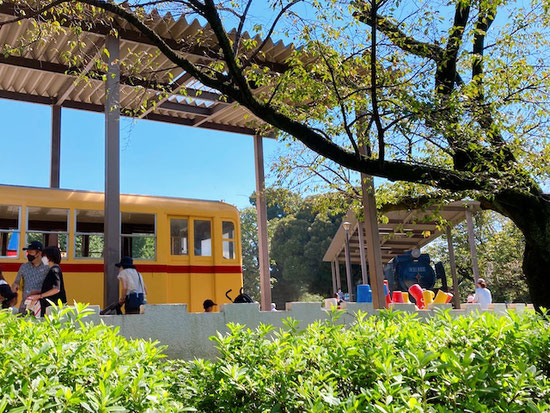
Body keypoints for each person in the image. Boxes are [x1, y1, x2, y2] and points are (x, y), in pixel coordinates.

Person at [27, 246, 67, 317]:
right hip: (51, 305)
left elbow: (56, 289)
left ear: (50, 257)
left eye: (44, 256)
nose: (42, 258)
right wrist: (37, 292)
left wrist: (39, 296)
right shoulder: (54, 269)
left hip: (52, 306)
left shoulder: (54, 270)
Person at [12, 241, 48, 314]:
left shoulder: (47, 267)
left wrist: (37, 292)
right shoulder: (24, 267)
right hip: (25, 305)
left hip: (40, 306)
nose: (28, 254)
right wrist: (15, 286)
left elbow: (51, 287)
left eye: (31, 252)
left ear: (39, 253)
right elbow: (16, 282)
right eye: (28, 252)